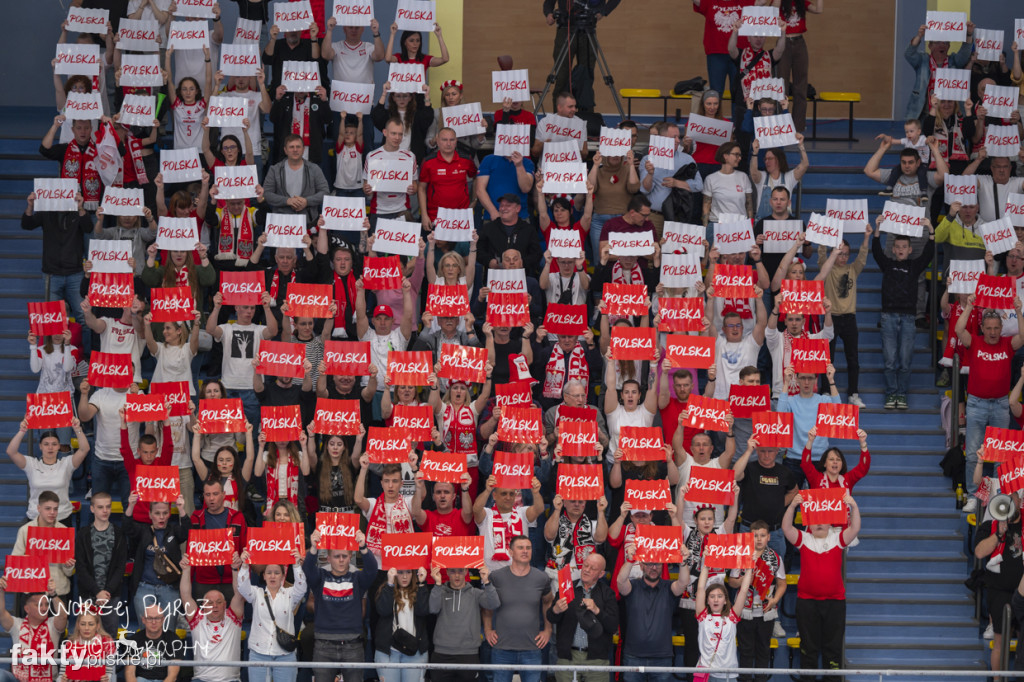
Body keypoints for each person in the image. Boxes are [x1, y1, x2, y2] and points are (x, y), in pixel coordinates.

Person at [782, 491, 861, 682]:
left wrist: (854, 506)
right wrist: (792, 506)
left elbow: (855, 528)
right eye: (815, 520)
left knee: (832, 648)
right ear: (808, 523)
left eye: (823, 520)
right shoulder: (803, 539)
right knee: (808, 647)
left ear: (830, 524)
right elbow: (786, 528)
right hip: (807, 603)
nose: (818, 523)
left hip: (834, 603)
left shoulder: (838, 539)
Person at [956, 294, 1024, 512]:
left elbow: (1023, 335)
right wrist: (969, 306)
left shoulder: (1007, 344)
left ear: (1001, 327)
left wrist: (1019, 311)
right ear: (983, 328)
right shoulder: (974, 342)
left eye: (996, 328)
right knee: (973, 453)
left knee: (1000, 457)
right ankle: (973, 496)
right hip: (976, 404)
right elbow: (959, 330)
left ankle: (996, 495)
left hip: (1002, 405)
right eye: (989, 328)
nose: (993, 332)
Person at [872, 220, 936, 410]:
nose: (900, 249)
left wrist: (930, 230)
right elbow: (876, 251)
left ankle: (902, 393)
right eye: (897, 247)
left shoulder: (914, 266)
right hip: (888, 318)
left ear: (909, 250)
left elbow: (928, 254)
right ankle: (892, 393)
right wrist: (877, 229)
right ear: (892, 249)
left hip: (908, 319)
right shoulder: (887, 264)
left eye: (904, 247)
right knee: (890, 360)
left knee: (905, 361)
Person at [303, 527, 376, 682]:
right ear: (329, 558)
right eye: (337, 556)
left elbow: (372, 570)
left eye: (344, 556)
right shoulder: (320, 578)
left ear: (350, 557)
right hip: (323, 646)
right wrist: (314, 547)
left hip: (353, 646)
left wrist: (363, 547)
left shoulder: (358, 579)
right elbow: (308, 569)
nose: (341, 560)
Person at [616, 535, 690, 682]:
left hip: (662, 657)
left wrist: (682, 562)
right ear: (642, 565)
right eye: (649, 564)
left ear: (662, 566)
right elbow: (620, 581)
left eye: (657, 564)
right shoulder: (633, 586)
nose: (653, 567)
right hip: (633, 657)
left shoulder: (669, 587)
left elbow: (683, 583)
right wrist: (630, 559)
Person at [206, 290, 280, 427]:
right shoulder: (227, 328)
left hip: (252, 388)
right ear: (236, 307)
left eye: (252, 308)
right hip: (228, 387)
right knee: (228, 433)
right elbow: (210, 330)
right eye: (246, 307)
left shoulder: (258, 329)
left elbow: (273, 331)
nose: (249, 311)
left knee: (251, 434)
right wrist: (216, 307)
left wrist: (267, 308)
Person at [486, 536, 554, 682]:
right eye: (520, 547)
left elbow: (548, 602)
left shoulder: (541, 578)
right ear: (510, 552)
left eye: (528, 548)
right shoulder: (496, 577)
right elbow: (487, 605)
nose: (525, 551)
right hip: (502, 647)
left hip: (532, 648)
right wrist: (487, 629)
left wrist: (548, 630)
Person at [22, 189, 91, 330]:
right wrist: (30, 206)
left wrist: (80, 208)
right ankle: (52, 351)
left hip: (75, 274)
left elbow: (88, 228)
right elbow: (27, 225)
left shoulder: (76, 212)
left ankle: (86, 352)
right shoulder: (46, 212)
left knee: (83, 317)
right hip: (51, 274)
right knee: (52, 319)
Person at [546, 552, 619, 682]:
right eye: (585, 565)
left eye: (593, 568)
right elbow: (551, 617)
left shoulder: (608, 593)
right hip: (567, 657)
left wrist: (597, 610)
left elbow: (613, 626)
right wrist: (555, 610)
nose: (586, 570)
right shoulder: (567, 588)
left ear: (601, 574)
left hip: (597, 659)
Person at [818, 227, 870, 406]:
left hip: (849, 319)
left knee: (853, 359)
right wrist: (825, 237)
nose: (843, 257)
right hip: (830, 319)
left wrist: (866, 237)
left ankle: (853, 393)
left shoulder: (853, 269)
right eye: (840, 253)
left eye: (846, 254)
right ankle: (825, 392)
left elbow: (862, 257)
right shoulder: (828, 268)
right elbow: (822, 255)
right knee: (827, 359)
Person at [729, 520, 788, 680]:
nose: (759, 539)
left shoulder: (775, 558)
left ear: (769, 537)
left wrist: (775, 600)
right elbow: (732, 582)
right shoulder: (742, 556)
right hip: (744, 611)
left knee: (763, 650)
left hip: (766, 611)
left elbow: (782, 584)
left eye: (762, 535)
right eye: (755, 536)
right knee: (746, 651)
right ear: (750, 537)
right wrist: (745, 579)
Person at [237, 546, 307, 682]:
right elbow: (242, 587)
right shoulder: (256, 593)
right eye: (269, 573)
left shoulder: (290, 594)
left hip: (285, 654)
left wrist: (297, 565)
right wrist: (245, 565)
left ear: (282, 576)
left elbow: (302, 586)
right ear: (264, 576)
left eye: (276, 572)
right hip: (258, 653)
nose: (273, 576)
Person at [180, 552, 246, 682]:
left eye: (219, 602)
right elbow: (186, 596)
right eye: (210, 603)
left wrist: (234, 569)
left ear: (225, 604)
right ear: (203, 606)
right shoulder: (197, 619)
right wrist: (186, 570)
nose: (214, 606)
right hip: (201, 679)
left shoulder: (233, 618)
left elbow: (239, 594)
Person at [7, 419, 87, 524]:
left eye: (54, 444)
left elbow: (84, 449)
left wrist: (78, 429)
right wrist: (22, 430)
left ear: (59, 446)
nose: (50, 447)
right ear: (40, 446)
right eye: (46, 444)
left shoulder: (66, 463)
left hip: (62, 519)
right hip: (36, 519)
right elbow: (11, 452)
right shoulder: (31, 464)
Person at [124, 493, 190, 622]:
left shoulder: (174, 531)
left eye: (165, 513)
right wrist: (131, 505)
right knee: (146, 631)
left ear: (169, 514)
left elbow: (187, 531)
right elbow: (127, 527)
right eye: (157, 513)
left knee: (168, 630)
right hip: (144, 588)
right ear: (150, 515)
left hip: (169, 589)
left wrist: (181, 509)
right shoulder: (143, 531)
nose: (161, 517)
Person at [428, 563, 500, 680]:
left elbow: (494, 604)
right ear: (446, 572)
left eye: (460, 571)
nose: (457, 575)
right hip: (442, 653)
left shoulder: (476, 593)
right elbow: (433, 609)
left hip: (468, 654)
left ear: (466, 571)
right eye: (452, 571)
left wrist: (487, 581)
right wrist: (437, 584)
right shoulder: (440, 592)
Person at [979, 491, 1024, 676]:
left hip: (1022, 593)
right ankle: (998, 680)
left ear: (1020, 500)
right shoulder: (991, 525)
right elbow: (980, 552)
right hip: (1000, 592)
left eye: (1013, 497)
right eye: (1006, 497)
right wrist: (999, 533)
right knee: (1000, 642)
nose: (1010, 502)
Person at [733, 439, 799, 565]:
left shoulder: (784, 472)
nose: (767, 455)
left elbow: (794, 490)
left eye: (770, 451)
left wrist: (779, 504)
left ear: (777, 452)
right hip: (749, 530)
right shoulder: (749, 469)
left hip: (774, 531)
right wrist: (748, 451)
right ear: (757, 451)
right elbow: (735, 475)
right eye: (763, 451)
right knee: (743, 570)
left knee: (775, 572)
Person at [75, 491, 128, 637]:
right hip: (88, 593)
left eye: (108, 506)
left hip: (111, 595)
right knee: (85, 637)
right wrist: (97, 591)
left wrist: (107, 592)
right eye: (100, 507)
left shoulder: (118, 533)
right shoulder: (83, 534)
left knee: (109, 637)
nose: (105, 510)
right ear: (92, 509)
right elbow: (80, 567)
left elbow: (120, 566)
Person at [0, 575, 67, 682]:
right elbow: (1, 613)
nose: (44, 608)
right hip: (19, 679)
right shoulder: (17, 624)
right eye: (39, 605)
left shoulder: (52, 624)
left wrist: (53, 595)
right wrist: (1, 591)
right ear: (27, 609)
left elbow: (63, 615)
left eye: (46, 604)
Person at [187, 479, 246, 600]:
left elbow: (245, 550)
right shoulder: (196, 518)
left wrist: (244, 578)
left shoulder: (237, 517)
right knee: (203, 618)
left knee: (233, 618)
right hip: (204, 581)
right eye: (208, 495)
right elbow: (190, 552)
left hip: (232, 580)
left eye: (215, 494)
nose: (211, 498)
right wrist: (188, 582)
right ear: (203, 496)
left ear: (223, 495)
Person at [639, 122, 703, 234]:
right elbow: (645, 190)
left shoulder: (687, 159)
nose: (678, 141)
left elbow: (699, 185)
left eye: (679, 137)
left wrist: (677, 183)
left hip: (678, 217)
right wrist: (650, 174)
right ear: (661, 139)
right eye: (674, 137)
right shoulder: (648, 159)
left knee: (674, 252)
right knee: (653, 250)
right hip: (655, 217)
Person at [903, 20, 974, 119]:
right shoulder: (923, 60)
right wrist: (919, 36)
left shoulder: (954, 61)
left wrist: (969, 34)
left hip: (948, 113)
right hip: (924, 112)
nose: (942, 45)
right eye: (937, 42)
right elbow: (908, 54)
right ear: (930, 46)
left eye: (945, 43)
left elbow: (964, 53)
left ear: (949, 47)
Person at [694, 562, 753, 680]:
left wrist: (749, 567)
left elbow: (743, 591)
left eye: (720, 596)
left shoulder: (732, 617)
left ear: (725, 600)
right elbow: (700, 588)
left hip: (728, 675)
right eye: (712, 596)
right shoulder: (703, 616)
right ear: (707, 600)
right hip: (706, 674)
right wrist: (706, 562)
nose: (716, 600)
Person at [473, 474, 545, 571]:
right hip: (492, 575)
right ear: (494, 496)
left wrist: (535, 493)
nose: (508, 497)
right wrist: (487, 490)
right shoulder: (487, 514)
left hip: (519, 573)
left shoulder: (522, 513)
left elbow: (539, 509)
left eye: (511, 494)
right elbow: (476, 509)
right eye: (504, 494)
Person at [12, 492, 75, 600]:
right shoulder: (25, 530)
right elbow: (15, 563)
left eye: (55, 509)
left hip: (58, 591)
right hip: (32, 593)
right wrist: (29, 559)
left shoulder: (64, 531)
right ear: (39, 508)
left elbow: (68, 573)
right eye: (48, 508)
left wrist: (68, 565)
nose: (52, 512)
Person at [374, 567, 432, 681]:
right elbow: (383, 610)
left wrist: (421, 584)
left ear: (413, 573)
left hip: (415, 651)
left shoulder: (420, 590)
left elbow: (423, 611)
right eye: (400, 572)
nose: (404, 577)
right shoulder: (386, 589)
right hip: (388, 652)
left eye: (408, 572)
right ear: (394, 573)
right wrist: (390, 584)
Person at [418, 126, 477, 231]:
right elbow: (421, 188)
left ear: (456, 141)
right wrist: (424, 215)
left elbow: (476, 177)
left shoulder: (466, 159)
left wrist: (474, 200)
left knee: (461, 247)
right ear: (437, 140)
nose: (448, 143)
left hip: (461, 217)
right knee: (435, 247)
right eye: (444, 140)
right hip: (435, 217)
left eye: (452, 140)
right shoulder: (428, 162)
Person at [264, 133, 330, 222]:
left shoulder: (314, 169)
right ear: (285, 150)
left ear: (303, 150)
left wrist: (307, 201)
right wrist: (287, 201)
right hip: (281, 222)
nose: (295, 150)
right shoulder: (274, 170)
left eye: (298, 147)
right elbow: (267, 194)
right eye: (291, 147)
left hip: (308, 221)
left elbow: (325, 192)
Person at [364, 117, 418, 222]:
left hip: (402, 210)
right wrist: (367, 189)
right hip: (379, 211)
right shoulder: (372, 156)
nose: (397, 137)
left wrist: (413, 189)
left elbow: (415, 186)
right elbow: (366, 187)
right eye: (393, 133)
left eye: (400, 134)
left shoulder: (410, 156)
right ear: (385, 132)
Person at [477, 193, 543, 276]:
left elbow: (536, 253)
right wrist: (489, 261)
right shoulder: (488, 228)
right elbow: (479, 250)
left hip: (522, 278)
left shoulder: (528, 229)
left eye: (508, 205)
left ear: (518, 208)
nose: (503, 208)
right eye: (501, 205)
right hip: (495, 278)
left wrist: (522, 262)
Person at [269, 86, 331, 165]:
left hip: (311, 151)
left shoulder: (317, 100)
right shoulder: (285, 100)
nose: (301, 89)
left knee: (310, 176)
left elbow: (328, 120)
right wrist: (277, 100)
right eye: (297, 85)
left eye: (303, 85)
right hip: (289, 150)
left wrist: (324, 101)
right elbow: (273, 119)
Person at [125, 603, 182, 682]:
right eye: (150, 618)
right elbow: (129, 673)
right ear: (143, 620)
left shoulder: (173, 640)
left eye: (157, 618)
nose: (154, 622)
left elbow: (172, 675)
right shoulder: (133, 641)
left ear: (163, 620)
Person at [703, 141, 754, 227]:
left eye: (740, 155)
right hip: (717, 224)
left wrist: (751, 225)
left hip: (740, 225)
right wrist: (705, 228)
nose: (740, 158)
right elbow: (706, 206)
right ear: (725, 156)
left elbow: (749, 205)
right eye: (736, 154)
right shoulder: (710, 179)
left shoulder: (743, 177)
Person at [476, 151, 535, 223]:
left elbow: (525, 188)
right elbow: (480, 190)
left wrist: (519, 165)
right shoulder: (489, 159)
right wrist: (493, 212)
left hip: (520, 218)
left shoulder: (527, 163)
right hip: (492, 217)